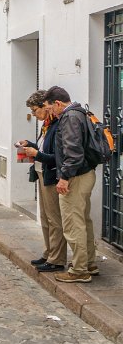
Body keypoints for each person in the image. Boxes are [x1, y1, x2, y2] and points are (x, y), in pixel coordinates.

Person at [43, 86, 98, 283]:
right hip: (84, 174)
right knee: (83, 221)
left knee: (73, 224)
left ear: (58, 103)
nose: (50, 112)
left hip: (75, 177)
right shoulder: (80, 113)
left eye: (50, 108)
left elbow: (73, 152)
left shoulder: (69, 117)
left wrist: (64, 177)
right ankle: (89, 263)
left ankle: (79, 270)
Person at [18, 91, 67, 273]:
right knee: (45, 218)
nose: (33, 114)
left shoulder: (57, 125)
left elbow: (57, 157)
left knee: (54, 219)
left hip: (51, 176)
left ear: (45, 107)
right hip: (42, 173)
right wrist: (31, 145)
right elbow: (44, 148)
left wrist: (36, 154)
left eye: (34, 110)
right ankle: (48, 253)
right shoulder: (46, 125)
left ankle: (57, 259)